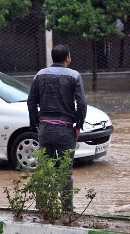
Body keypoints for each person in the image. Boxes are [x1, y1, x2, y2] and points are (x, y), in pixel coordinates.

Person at [27, 44, 87, 211]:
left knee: (42, 169)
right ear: (67, 58)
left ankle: (41, 207)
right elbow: (81, 104)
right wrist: (78, 125)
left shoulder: (40, 75)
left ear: (52, 58)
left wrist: (36, 123)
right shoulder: (74, 76)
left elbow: (31, 102)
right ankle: (67, 209)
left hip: (44, 129)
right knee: (65, 172)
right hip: (66, 129)